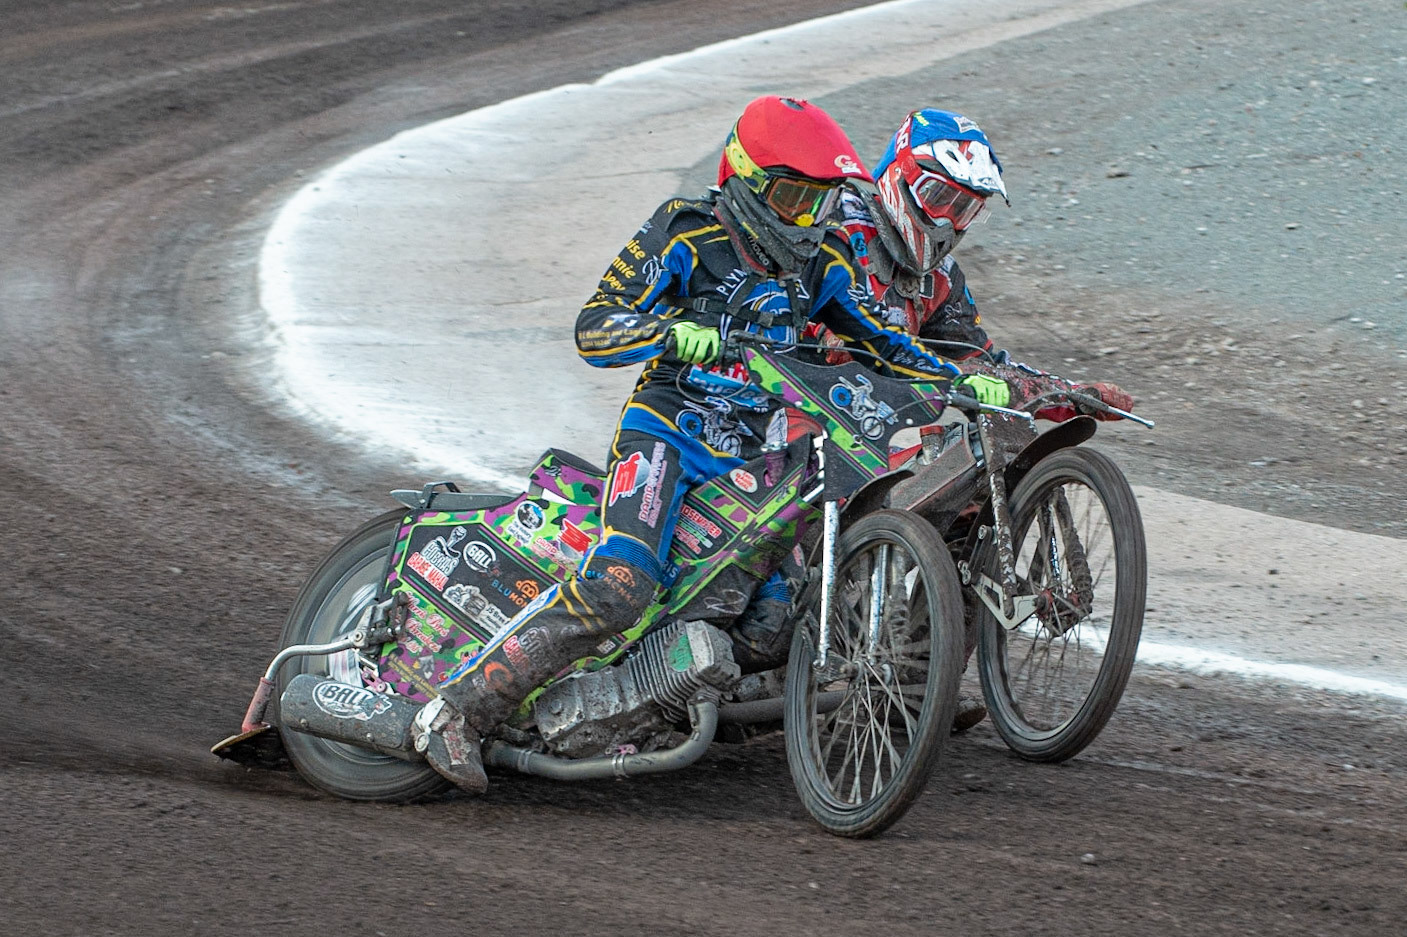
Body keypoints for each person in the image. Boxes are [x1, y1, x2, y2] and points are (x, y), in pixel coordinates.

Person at [400, 95, 1009, 794]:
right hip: (667, 433)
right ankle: (457, 710)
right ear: (745, 182)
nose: (807, 219)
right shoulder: (685, 232)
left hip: (756, 451)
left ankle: (655, 703)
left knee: (773, 619)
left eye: (820, 202)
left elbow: (884, 341)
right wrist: (667, 333)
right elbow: (593, 326)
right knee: (621, 581)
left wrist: (961, 381)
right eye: (792, 197)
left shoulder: (823, 263)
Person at [810, 108, 1133, 730]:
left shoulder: (938, 279)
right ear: (897, 180)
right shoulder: (836, 235)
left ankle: (915, 676)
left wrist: (1065, 394)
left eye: (967, 209)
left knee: (968, 490)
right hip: (793, 416)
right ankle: (841, 642)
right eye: (938, 198)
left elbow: (973, 359)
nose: (949, 222)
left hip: (879, 423)